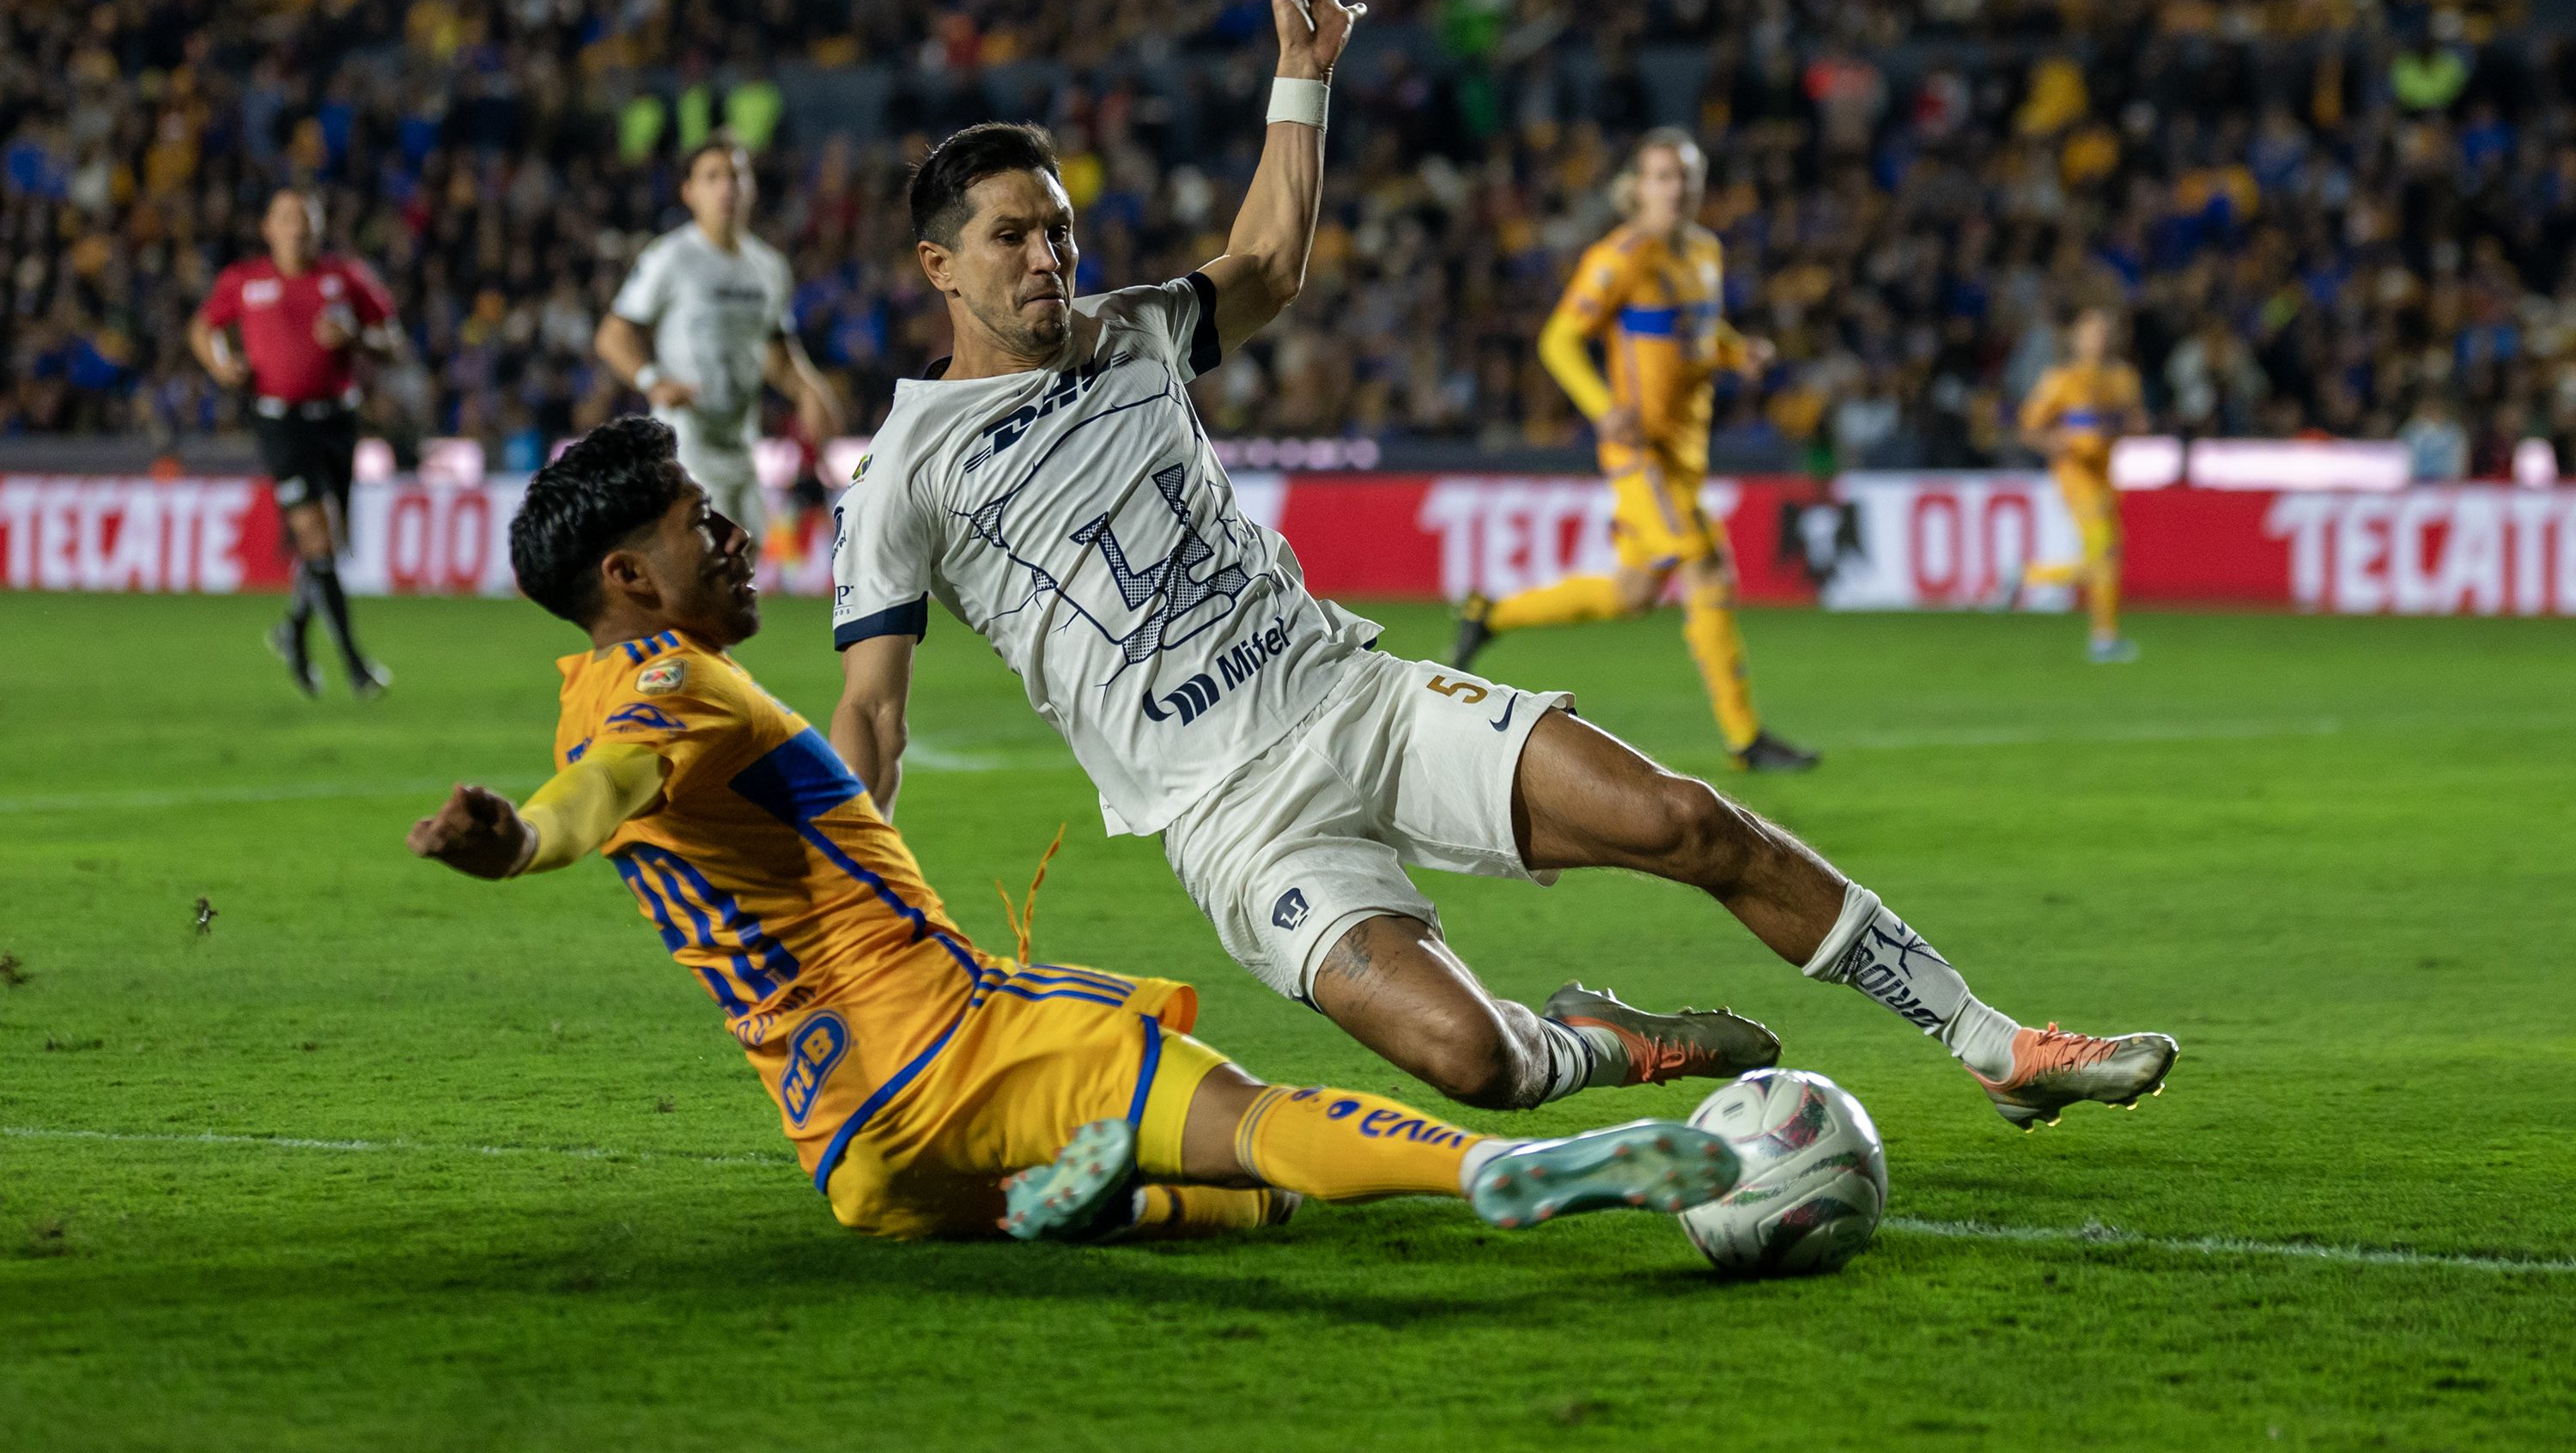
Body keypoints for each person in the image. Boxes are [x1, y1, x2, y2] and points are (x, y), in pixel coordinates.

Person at [828, 0, 2178, 1134]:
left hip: (1358, 698)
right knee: (1472, 1061)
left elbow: (1272, 263)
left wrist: (1306, 74)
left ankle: (1995, 1041)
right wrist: (858, 926)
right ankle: (1599, 1044)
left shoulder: (1132, 331)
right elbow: (875, 720)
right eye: (1013, 239)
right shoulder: (900, 472)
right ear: (940, 266)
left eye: (1059, 229)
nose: (1049, 259)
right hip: (1234, 820)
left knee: (1686, 818)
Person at [405, 416, 1743, 1243]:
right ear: (630, 577)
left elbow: (607, 786)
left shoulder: (587, 699)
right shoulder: (667, 688)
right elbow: (601, 801)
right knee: (1259, 1120)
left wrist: (528, 828)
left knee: (1227, 1200)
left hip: (851, 1153)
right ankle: (1505, 1166)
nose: (737, 536)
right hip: (959, 1042)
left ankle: (1116, 1201)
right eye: (703, 524)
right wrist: (523, 842)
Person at [1449, 130, 1818, 773]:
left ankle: (1491, 613)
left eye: (1687, 176)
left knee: (1635, 591)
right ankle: (1745, 739)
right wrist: (1602, 405)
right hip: (1639, 452)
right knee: (1707, 568)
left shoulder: (1705, 252)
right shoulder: (1620, 256)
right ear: (1637, 187)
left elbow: (1701, 333)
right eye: (1662, 176)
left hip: (1684, 457)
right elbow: (1559, 341)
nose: (1676, 188)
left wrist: (1739, 352)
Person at [187, 187, 402, 697]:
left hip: (338, 419)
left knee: (328, 547)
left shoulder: (345, 278)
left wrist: (355, 337)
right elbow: (202, 328)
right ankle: (356, 666)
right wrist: (221, 364)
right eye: (287, 219)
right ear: (269, 229)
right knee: (318, 540)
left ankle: (293, 634)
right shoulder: (245, 281)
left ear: (320, 227)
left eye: (306, 219)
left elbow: (392, 340)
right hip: (279, 423)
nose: (298, 229)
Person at [593, 134, 843, 547]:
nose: (726, 187)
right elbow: (612, 335)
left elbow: (779, 358)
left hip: (741, 445)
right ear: (689, 192)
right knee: (711, 562)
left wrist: (810, 392)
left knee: (741, 569)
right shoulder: (670, 258)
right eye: (712, 177)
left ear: (752, 187)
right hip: (685, 444)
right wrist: (652, 380)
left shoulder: (768, 267)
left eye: (735, 175)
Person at [2013, 305, 2148, 662]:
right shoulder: (2060, 380)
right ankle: (2101, 639)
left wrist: (2117, 427)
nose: (2098, 341)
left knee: (2109, 556)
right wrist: (2059, 443)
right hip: (2075, 475)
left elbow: (2138, 422)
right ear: (2076, 339)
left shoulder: (2123, 379)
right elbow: (2029, 427)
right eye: (2090, 333)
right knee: (2103, 550)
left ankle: (2032, 578)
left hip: (2105, 473)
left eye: (2103, 333)